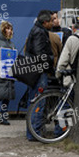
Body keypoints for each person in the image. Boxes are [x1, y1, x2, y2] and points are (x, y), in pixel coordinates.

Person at [25, 10, 55, 141]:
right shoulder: (39, 32)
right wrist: (50, 57)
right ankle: (34, 133)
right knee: (38, 102)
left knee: (34, 101)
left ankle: (32, 133)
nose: (53, 23)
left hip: (35, 71)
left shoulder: (36, 29)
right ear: (45, 22)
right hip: (39, 71)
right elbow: (39, 55)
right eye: (51, 21)